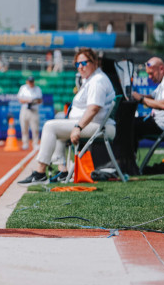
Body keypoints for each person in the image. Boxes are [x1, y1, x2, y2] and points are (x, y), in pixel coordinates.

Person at [18, 48, 115, 184]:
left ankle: (40, 173)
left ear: (94, 62)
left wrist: (78, 127)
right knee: (58, 123)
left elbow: (93, 108)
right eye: (77, 64)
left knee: (50, 126)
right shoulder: (90, 79)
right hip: (93, 124)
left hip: (97, 126)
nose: (80, 67)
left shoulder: (97, 81)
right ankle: (63, 171)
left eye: (84, 63)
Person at [17, 76, 43, 150]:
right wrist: (27, 101)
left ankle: (35, 144)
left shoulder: (37, 89)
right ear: (27, 82)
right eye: (29, 81)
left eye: (32, 81)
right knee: (24, 127)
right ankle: (25, 143)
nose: (31, 83)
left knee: (35, 128)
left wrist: (34, 101)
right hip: (25, 109)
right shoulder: (23, 88)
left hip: (34, 110)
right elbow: (20, 99)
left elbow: (40, 100)